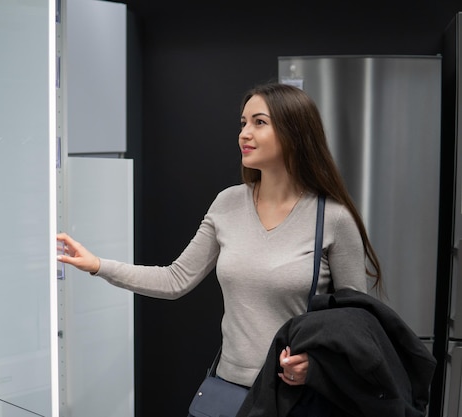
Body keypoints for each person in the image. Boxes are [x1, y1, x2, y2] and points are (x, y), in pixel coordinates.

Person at [56, 82, 381, 392]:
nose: (244, 133)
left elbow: (356, 323)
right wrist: (97, 265)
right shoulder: (228, 203)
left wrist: (317, 364)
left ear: (294, 132)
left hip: (296, 395)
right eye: (243, 123)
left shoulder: (334, 219)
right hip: (229, 389)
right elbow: (174, 280)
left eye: (259, 122)